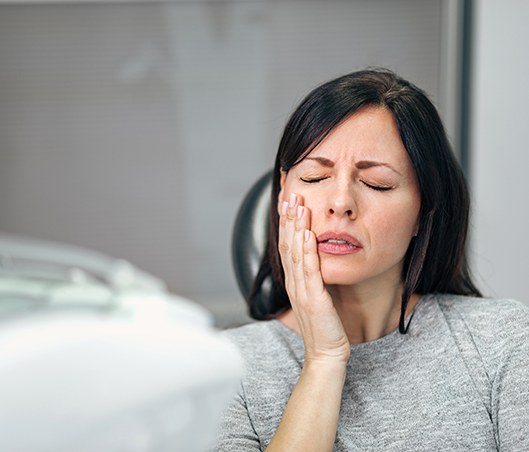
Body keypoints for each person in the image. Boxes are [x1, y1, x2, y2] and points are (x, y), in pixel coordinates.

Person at [215, 69, 529, 451]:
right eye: (314, 177)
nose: (341, 203)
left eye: (377, 183)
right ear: (283, 193)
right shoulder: (221, 369)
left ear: (423, 210)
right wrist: (324, 361)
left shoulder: (504, 341)